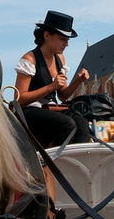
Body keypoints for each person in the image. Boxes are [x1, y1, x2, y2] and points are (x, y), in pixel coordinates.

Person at [14, 11, 91, 148]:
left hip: (52, 109)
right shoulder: (30, 59)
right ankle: (52, 165)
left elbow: (62, 96)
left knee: (82, 124)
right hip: (30, 112)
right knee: (67, 124)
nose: (66, 44)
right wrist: (50, 87)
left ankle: (78, 164)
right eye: (63, 39)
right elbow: (19, 99)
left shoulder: (60, 58)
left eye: (67, 40)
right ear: (47, 35)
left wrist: (77, 82)